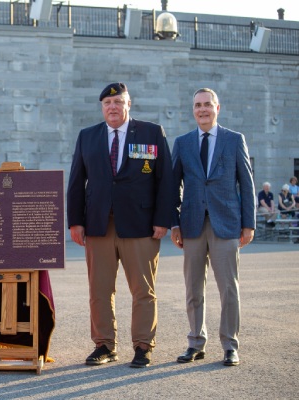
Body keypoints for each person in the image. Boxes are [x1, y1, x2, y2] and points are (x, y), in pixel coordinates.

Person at [67, 83, 174, 368]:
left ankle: (142, 345)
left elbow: (166, 180)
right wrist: (75, 221)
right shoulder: (88, 136)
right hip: (98, 226)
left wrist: (164, 220)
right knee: (100, 290)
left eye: (117, 101)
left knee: (143, 290)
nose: (112, 107)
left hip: (141, 225)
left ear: (129, 104)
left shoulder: (152, 132)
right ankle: (104, 345)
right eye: (107, 103)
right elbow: (77, 181)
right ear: (102, 107)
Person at [171, 88, 256, 367]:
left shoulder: (234, 140)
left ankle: (230, 345)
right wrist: (174, 222)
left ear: (217, 108)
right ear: (192, 110)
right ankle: (196, 342)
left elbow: (247, 182)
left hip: (227, 223)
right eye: (197, 105)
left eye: (208, 104)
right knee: (193, 289)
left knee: (228, 289)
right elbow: (173, 186)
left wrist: (249, 224)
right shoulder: (182, 143)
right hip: (192, 224)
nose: (202, 109)